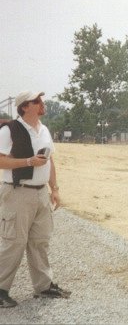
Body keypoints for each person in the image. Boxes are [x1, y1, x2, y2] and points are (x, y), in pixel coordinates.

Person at [0, 91, 71, 308]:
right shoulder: (8, 130)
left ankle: (44, 287)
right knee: (14, 242)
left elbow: (50, 162)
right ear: (25, 107)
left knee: (40, 241)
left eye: (41, 100)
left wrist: (55, 189)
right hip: (17, 192)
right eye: (37, 101)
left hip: (41, 193)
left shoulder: (44, 130)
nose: (43, 103)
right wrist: (29, 162)